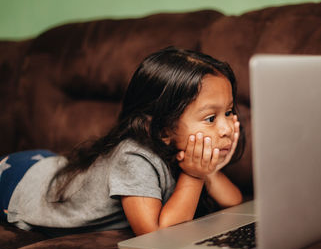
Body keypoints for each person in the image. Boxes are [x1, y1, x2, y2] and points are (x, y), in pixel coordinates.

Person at [0, 46, 245, 237]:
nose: (226, 128)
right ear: (163, 129)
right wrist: (193, 176)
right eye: (211, 118)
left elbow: (234, 202)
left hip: (52, 166)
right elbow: (157, 234)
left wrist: (206, 171)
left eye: (229, 111)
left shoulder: (183, 152)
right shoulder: (134, 157)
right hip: (20, 183)